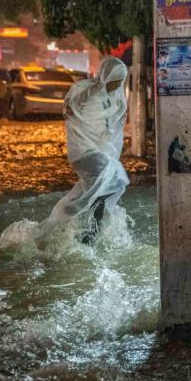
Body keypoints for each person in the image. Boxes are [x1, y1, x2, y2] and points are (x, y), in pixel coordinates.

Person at [44, 57, 130, 244]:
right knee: (113, 181)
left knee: (103, 186)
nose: (118, 85)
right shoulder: (90, 92)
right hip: (85, 152)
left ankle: (76, 222)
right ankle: (87, 227)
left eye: (121, 81)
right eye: (116, 80)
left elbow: (110, 125)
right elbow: (71, 109)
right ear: (107, 77)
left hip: (97, 152)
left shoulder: (112, 98)